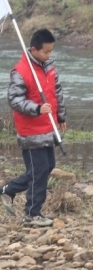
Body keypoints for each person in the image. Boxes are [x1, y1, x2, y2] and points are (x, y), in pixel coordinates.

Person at [0, 29, 67, 227]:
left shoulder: (49, 68)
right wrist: (37, 108)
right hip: (31, 132)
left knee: (47, 167)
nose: (49, 55)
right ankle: (31, 213)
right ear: (34, 50)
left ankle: (7, 190)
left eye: (51, 52)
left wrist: (61, 115)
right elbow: (14, 100)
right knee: (38, 172)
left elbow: (57, 92)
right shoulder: (20, 71)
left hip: (49, 127)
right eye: (46, 52)